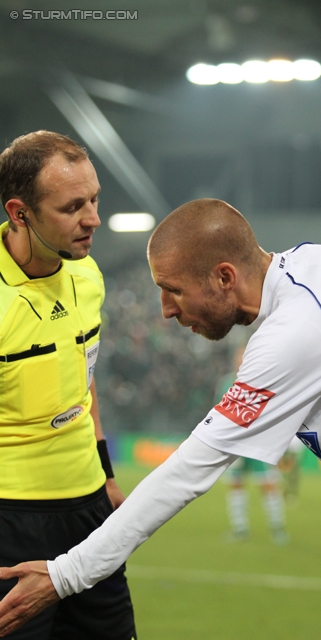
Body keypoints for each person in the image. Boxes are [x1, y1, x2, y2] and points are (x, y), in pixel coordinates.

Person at [0, 198, 321, 639]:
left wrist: (64, 575)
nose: (166, 308)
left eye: (174, 289)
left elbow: (189, 471)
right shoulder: (312, 263)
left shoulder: (296, 332)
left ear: (225, 277)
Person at [0, 131, 136, 639]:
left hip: (90, 516)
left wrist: (105, 476)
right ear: (20, 212)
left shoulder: (89, 275)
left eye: (95, 199)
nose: (93, 219)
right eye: (73, 206)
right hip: (11, 522)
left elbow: (86, 378)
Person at [217, 346, 288, 543]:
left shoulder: (261, 380)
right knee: (236, 485)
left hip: (258, 444)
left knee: (268, 485)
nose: (239, 360)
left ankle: (277, 528)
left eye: (243, 357)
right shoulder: (226, 382)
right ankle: (239, 529)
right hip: (235, 445)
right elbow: (220, 413)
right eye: (237, 357)